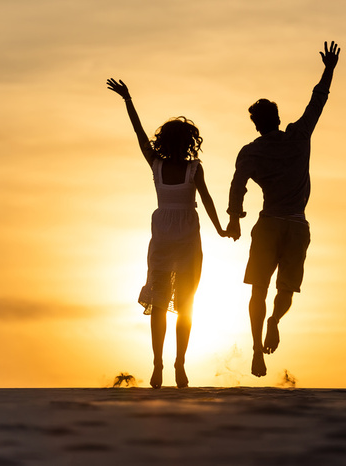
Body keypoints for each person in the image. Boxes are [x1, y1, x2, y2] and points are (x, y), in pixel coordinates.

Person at [226, 41, 341, 377]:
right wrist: (329, 69)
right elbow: (316, 103)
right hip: (296, 225)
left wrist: (234, 219)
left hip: (268, 226)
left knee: (258, 289)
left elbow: (238, 185)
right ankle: (275, 321)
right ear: (276, 119)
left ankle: (256, 349)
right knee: (286, 288)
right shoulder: (298, 138)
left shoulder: (250, 152)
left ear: (256, 124)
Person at [107, 78, 227, 388]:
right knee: (175, 303)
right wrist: (221, 228)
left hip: (175, 238)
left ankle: (170, 364)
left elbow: (138, 134)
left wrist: (128, 99)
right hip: (175, 238)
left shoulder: (190, 168)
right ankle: (169, 365)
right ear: (188, 142)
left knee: (169, 303)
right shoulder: (162, 165)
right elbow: (209, 201)